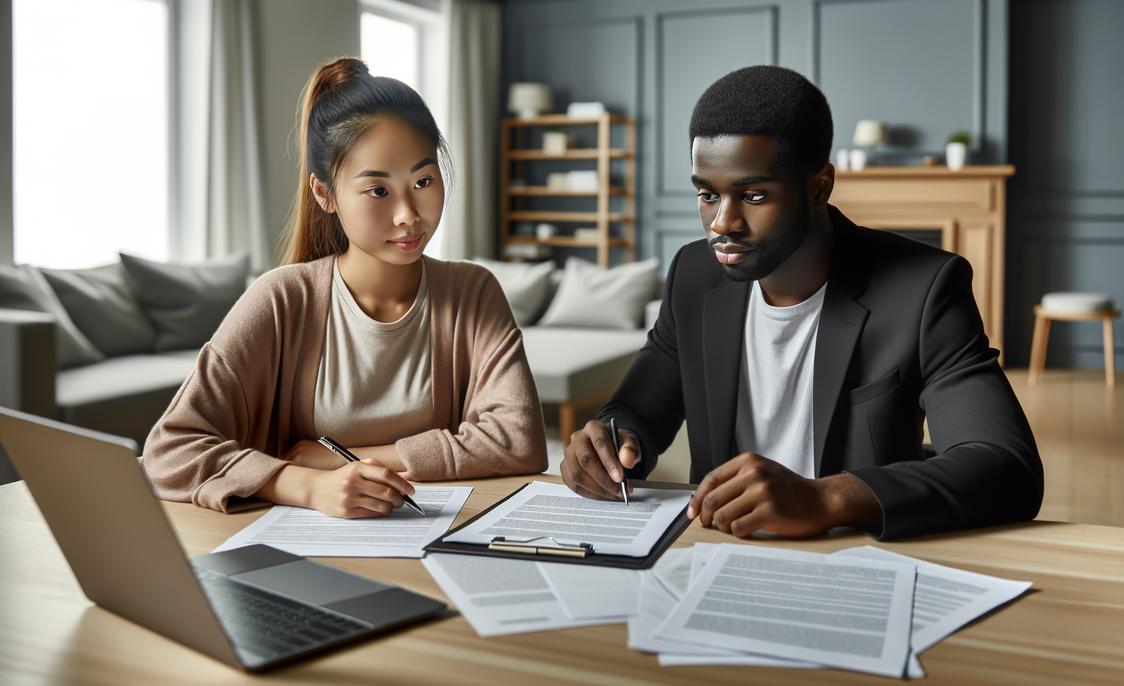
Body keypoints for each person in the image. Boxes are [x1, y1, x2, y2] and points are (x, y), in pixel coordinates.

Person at [560, 65, 1042, 540]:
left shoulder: (922, 289)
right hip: (712, 550)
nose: (721, 223)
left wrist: (827, 499)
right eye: (707, 194)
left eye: (751, 195)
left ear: (819, 187)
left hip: (854, 561)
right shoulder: (694, 275)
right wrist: (608, 441)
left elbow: (1006, 464)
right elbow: (637, 411)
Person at [144, 58, 547, 517]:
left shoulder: (472, 291)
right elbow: (167, 450)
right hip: (297, 550)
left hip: (431, 539)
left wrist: (350, 459)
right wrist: (304, 485)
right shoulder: (282, 300)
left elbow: (520, 441)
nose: (408, 215)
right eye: (378, 190)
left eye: (423, 181)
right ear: (325, 194)